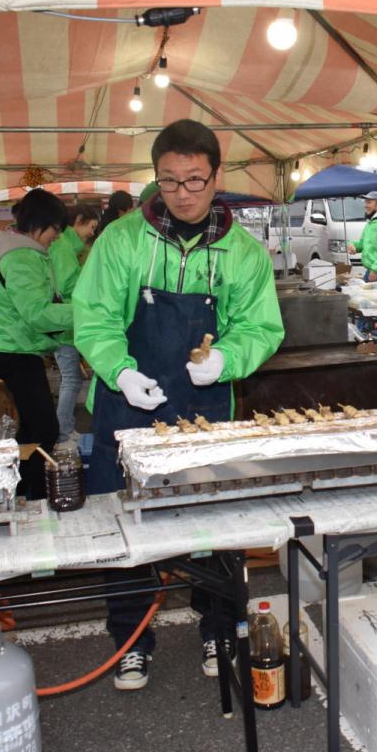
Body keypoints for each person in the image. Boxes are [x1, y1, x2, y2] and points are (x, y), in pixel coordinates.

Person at [74, 118, 284, 691]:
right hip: (127, 410)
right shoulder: (122, 241)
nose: (183, 193)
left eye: (194, 180)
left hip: (204, 409)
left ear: (216, 176)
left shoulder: (243, 253)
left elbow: (261, 326)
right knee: (126, 531)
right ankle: (131, 641)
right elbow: (93, 316)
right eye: (169, 181)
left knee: (212, 527)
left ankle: (218, 630)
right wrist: (119, 371)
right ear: (156, 178)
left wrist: (229, 357)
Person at [0, 190, 73, 500]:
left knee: (33, 427)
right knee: (44, 428)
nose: (57, 237)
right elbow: (37, 314)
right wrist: (87, 313)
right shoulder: (22, 257)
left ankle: (18, 489)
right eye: (56, 229)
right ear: (40, 223)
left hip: (18, 348)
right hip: (15, 350)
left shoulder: (24, 251)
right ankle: (29, 492)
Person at [48, 204, 100, 445]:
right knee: (71, 379)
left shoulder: (67, 245)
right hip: (66, 322)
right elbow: (68, 285)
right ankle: (64, 432)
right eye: (91, 226)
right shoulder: (63, 246)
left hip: (68, 322)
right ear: (79, 219)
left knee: (71, 378)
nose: (92, 232)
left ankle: (65, 429)